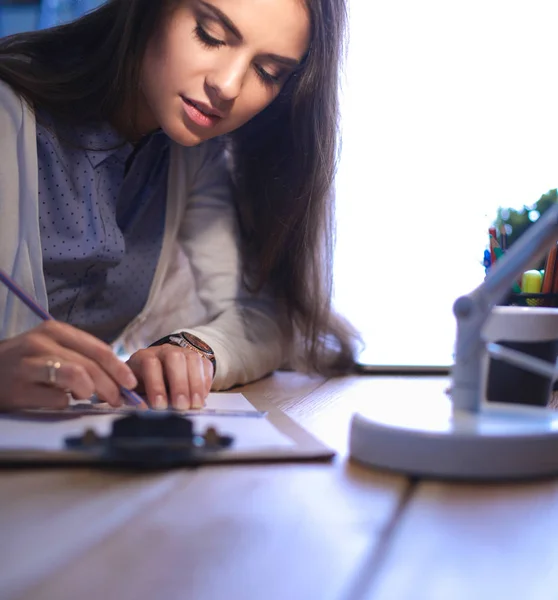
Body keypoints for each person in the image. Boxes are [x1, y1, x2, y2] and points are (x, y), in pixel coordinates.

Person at [0, 0, 359, 411]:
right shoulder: (9, 112)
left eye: (268, 72)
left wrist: (193, 349)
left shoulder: (191, 153)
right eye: (211, 35)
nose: (228, 85)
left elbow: (263, 319)